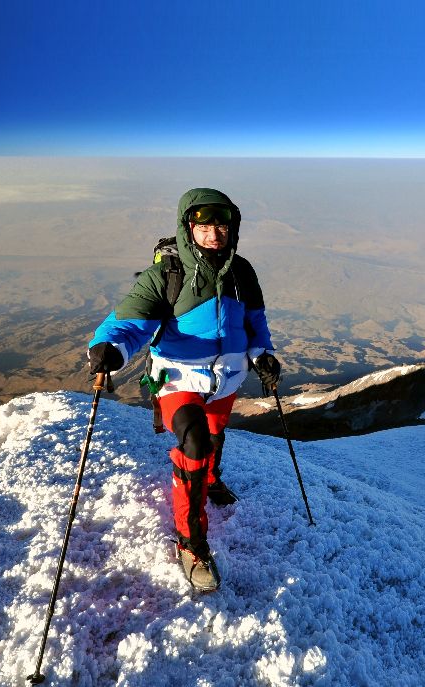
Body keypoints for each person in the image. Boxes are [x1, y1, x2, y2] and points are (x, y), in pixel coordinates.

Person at [87, 188, 280, 591]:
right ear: (188, 227)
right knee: (194, 442)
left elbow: (255, 323)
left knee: (212, 436)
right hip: (177, 378)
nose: (214, 233)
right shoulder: (167, 275)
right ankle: (192, 543)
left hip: (225, 379)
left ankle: (209, 481)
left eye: (222, 225)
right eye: (204, 225)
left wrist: (262, 354)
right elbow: (128, 320)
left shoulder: (242, 273)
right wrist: (110, 349)